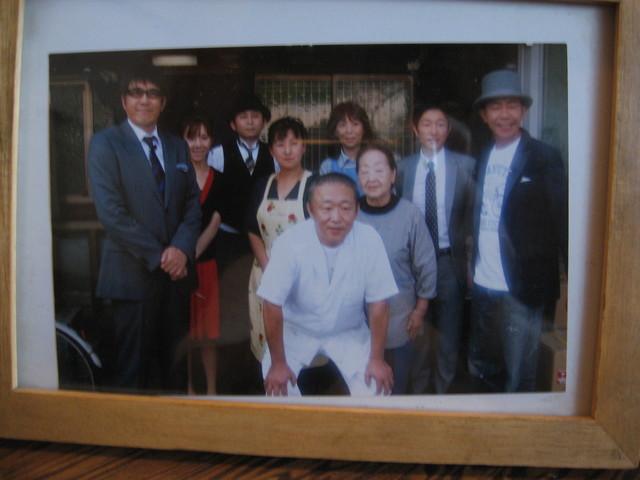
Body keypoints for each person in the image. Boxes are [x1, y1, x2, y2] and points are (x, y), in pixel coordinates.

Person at [87, 67, 201, 393]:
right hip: (132, 277)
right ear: (124, 101)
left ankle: (174, 426)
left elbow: (192, 204)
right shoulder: (106, 143)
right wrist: (162, 256)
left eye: (152, 93)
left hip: (176, 282)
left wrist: (180, 250)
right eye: (136, 93)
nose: (144, 100)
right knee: (132, 373)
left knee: (175, 371)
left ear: (163, 102)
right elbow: (112, 214)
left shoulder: (177, 146)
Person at [469, 69, 568, 392]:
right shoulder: (482, 157)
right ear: (484, 115)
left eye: (512, 106)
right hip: (484, 283)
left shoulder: (544, 156)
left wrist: (573, 281)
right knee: (484, 366)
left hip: (522, 287)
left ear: (523, 111)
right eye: (496, 107)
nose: (505, 115)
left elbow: (562, 219)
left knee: (519, 373)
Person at [257, 173, 398, 396]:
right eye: (326, 208)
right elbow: (272, 302)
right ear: (310, 210)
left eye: (345, 208)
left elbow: (379, 302)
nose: (336, 217)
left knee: (376, 389)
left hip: (348, 330)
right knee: (278, 392)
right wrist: (278, 363)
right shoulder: (289, 242)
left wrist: (377, 359)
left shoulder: (369, 239)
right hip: (295, 331)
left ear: (357, 210)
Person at [396, 104, 476, 394]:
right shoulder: (403, 168)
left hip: (448, 262)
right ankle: (418, 390)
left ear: (448, 130)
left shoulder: (465, 166)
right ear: (415, 130)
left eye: (440, 124)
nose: (433, 130)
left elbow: (472, 218)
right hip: (413, 263)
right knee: (416, 329)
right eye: (426, 124)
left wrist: (469, 264)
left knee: (448, 333)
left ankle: (444, 391)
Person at [206, 93, 275, 394]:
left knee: (261, 307)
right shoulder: (217, 154)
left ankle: (259, 377)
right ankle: (231, 382)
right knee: (231, 310)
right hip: (229, 243)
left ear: (263, 122)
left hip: (261, 244)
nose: (250, 121)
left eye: (255, 116)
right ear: (233, 124)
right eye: (243, 117)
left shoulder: (273, 154)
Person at [356, 143, 437, 394]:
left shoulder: (410, 214)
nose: (372, 178)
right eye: (365, 171)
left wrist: (420, 309)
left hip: (399, 314)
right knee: (361, 386)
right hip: (356, 318)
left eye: (379, 170)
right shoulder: (350, 213)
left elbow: (426, 264)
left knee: (395, 384)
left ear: (393, 175)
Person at [247, 117, 314, 362]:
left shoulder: (315, 185)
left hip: (304, 279)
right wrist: (270, 268)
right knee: (270, 351)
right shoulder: (262, 186)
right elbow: (252, 229)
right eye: (280, 144)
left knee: (303, 351)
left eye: (294, 143)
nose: (287, 150)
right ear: (271, 150)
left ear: (304, 147)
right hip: (266, 275)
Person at [182, 115, 224, 395]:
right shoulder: (175, 176)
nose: (198, 144)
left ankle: (211, 391)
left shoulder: (220, 179)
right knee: (184, 335)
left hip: (206, 264)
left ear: (211, 142)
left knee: (209, 335)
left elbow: (215, 221)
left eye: (204, 137)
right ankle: (187, 390)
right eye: (191, 137)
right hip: (179, 266)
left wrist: (192, 255)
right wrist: (183, 258)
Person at [319, 102, 375, 194]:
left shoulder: (377, 162)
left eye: (355, 124)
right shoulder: (328, 166)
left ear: (364, 129)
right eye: (342, 125)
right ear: (335, 131)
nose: (349, 131)